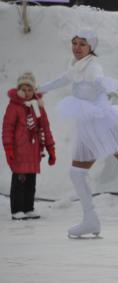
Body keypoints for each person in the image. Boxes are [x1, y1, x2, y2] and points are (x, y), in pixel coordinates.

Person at [37, 30, 118, 237]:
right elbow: (63, 79)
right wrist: (40, 89)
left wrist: (103, 86)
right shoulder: (77, 66)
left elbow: (98, 79)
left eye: (82, 44)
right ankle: (90, 220)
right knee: (77, 173)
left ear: (91, 48)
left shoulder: (92, 67)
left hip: (103, 124)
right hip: (89, 126)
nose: (77, 48)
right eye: (75, 43)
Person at [2, 72, 56, 220]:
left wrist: (51, 149)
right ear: (18, 89)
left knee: (31, 181)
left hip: (34, 151)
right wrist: (8, 148)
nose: (26, 93)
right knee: (20, 181)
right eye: (23, 89)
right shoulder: (14, 106)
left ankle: (28, 208)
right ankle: (17, 210)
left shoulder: (37, 107)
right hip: (19, 150)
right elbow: (7, 128)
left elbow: (45, 127)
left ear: (34, 90)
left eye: (29, 89)